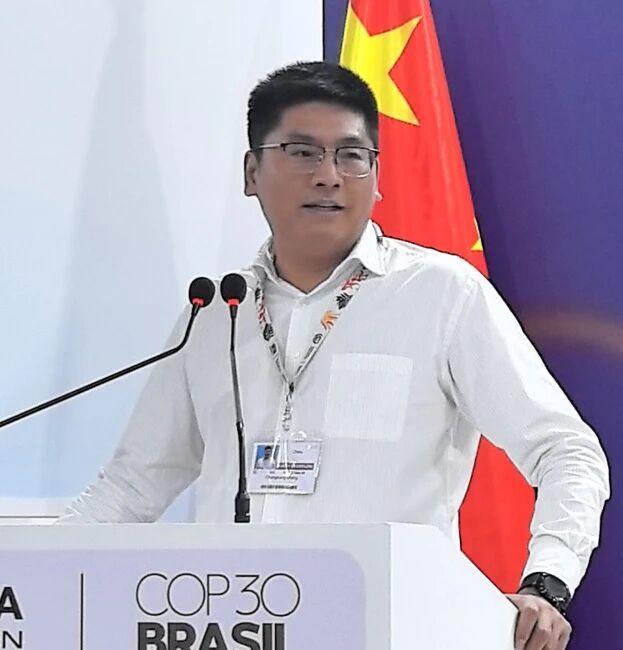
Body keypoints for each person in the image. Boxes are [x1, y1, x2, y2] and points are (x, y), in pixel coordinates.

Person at [60, 62, 609, 650]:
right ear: (251, 172)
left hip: (392, 631)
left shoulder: (441, 294)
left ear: (377, 176)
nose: (328, 176)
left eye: (352, 156)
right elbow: (132, 487)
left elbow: (566, 449)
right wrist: (29, 569)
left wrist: (547, 581)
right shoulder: (218, 313)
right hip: (232, 630)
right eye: (302, 153)